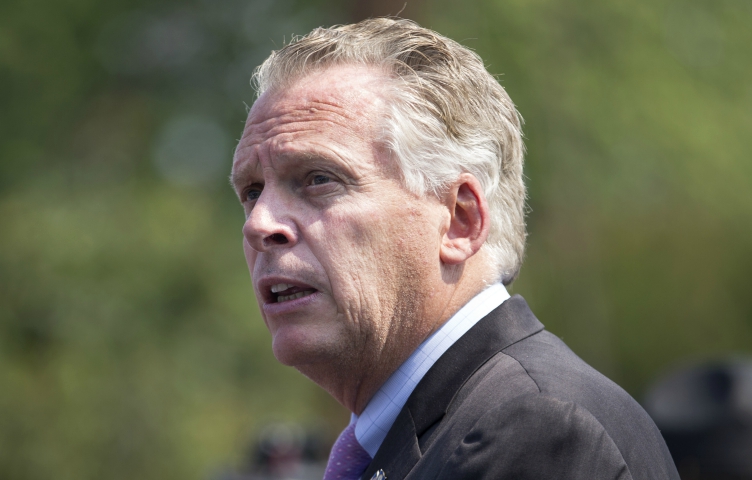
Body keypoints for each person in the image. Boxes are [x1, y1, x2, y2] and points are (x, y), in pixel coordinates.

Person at [231, 17, 679, 480]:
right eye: (251, 191)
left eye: (318, 179)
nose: (259, 224)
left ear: (460, 221)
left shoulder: (534, 432)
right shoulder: (445, 430)